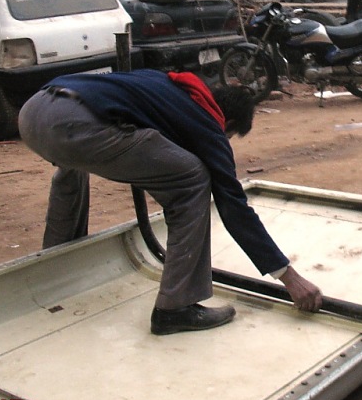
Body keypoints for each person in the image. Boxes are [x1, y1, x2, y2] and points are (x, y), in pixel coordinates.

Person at [18, 68, 323, 335]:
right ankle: (175, 308)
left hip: (36, 112)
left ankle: (56, 259)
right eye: (229, 137)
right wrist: (287, 276)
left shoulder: (170, 87)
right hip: (77, 128)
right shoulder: (206, 122)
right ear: (227, 123)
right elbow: (233, 206)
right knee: (194, 179)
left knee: (73, 166)